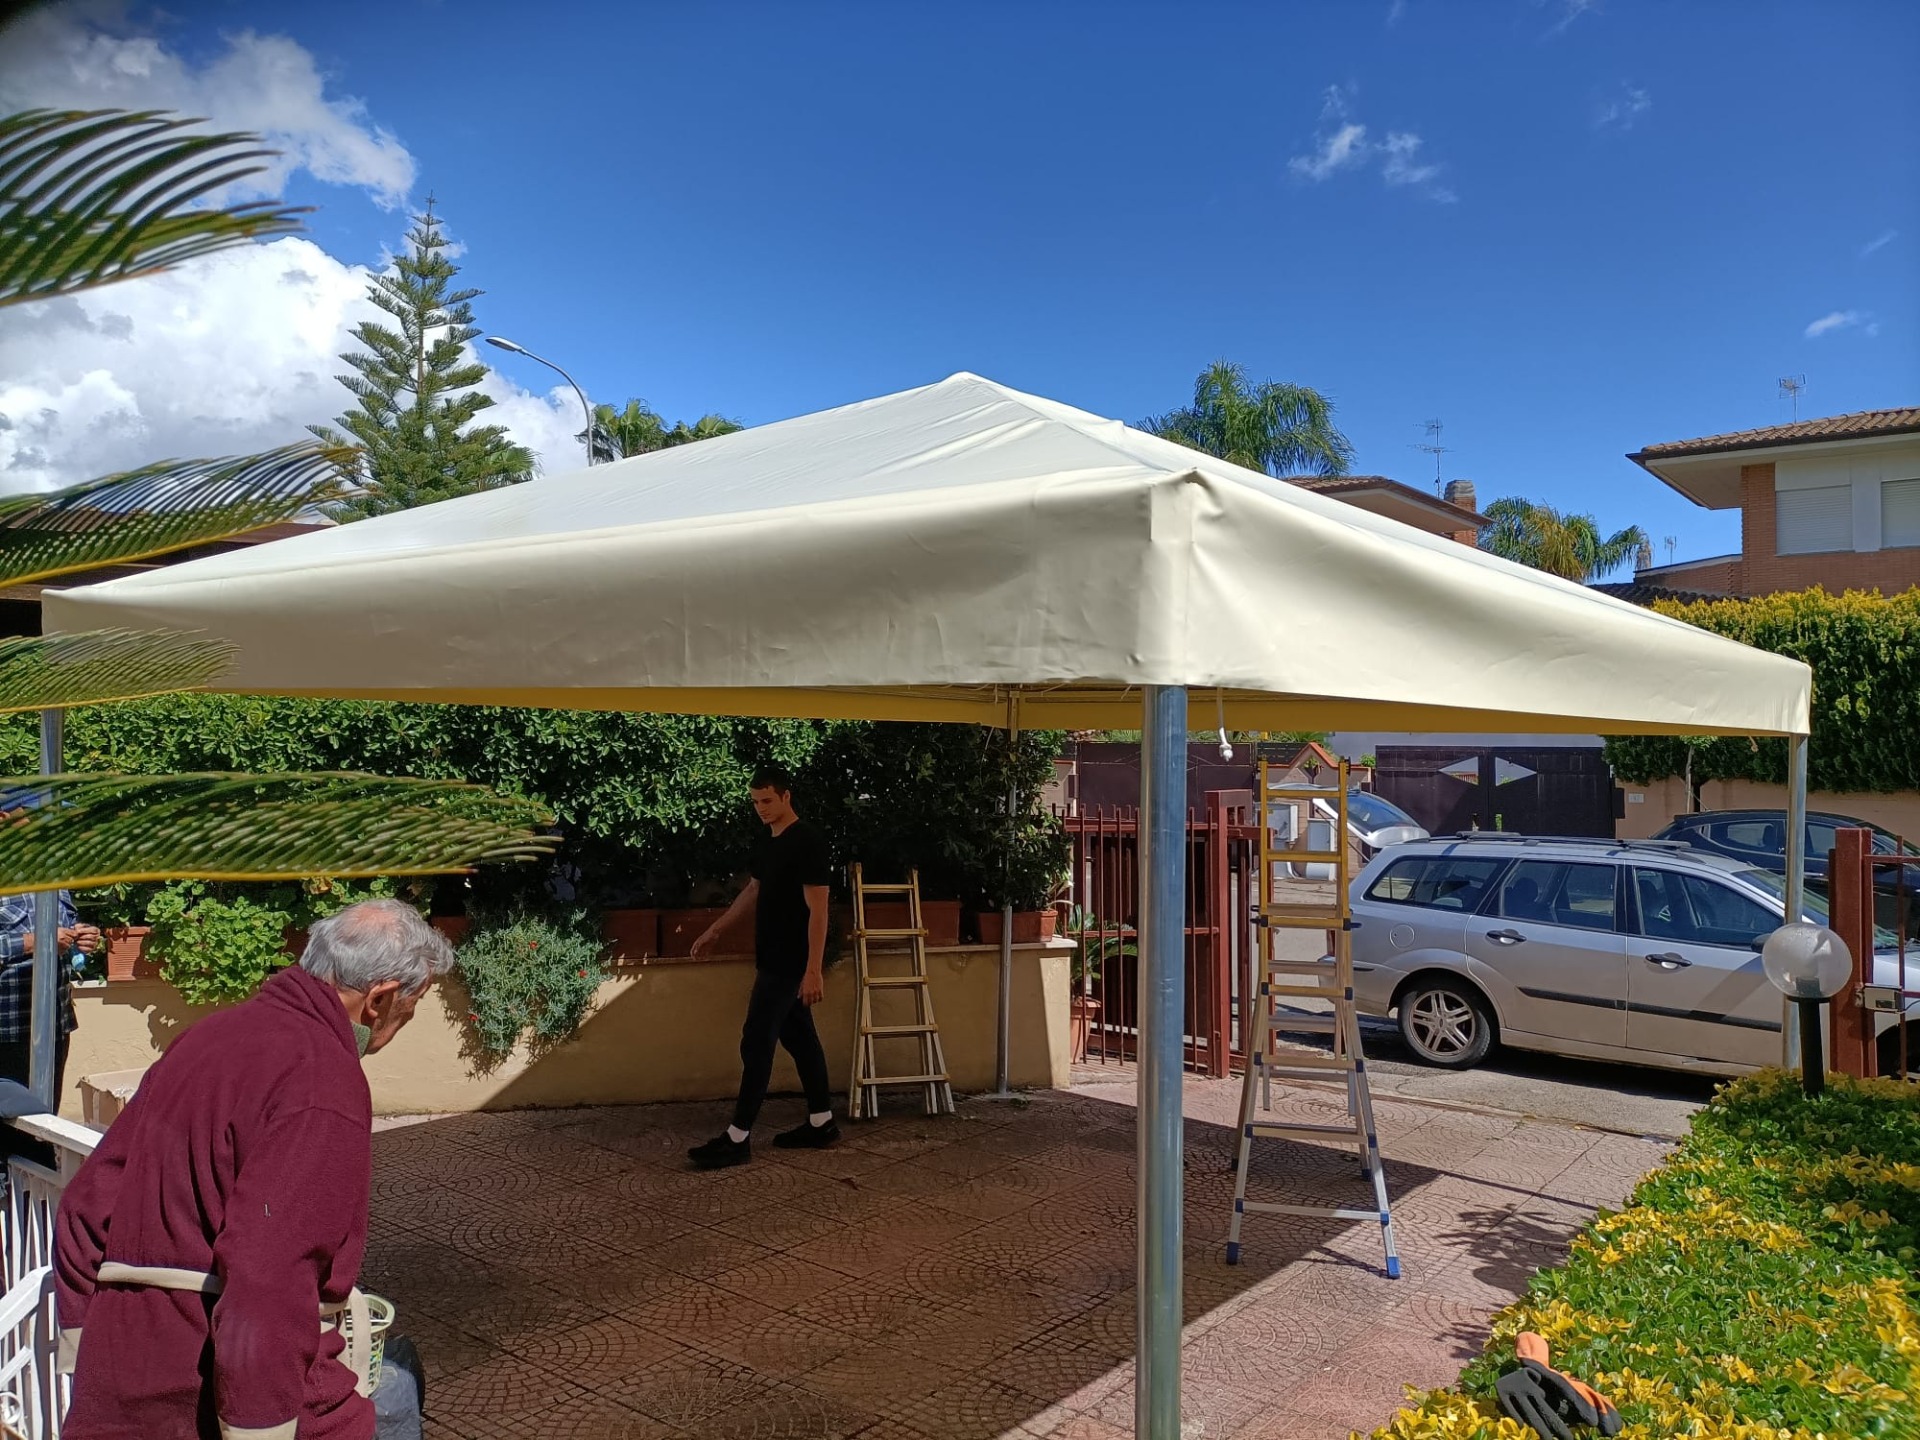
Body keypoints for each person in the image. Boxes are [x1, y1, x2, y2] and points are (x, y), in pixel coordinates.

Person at [53, 898, 450, 1440]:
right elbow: (270, 1273)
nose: (409, 1019)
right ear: (380, 998)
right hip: (214, 1397)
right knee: (393, 1401)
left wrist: (88, 1347)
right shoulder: (322, 1078)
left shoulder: (205, 1037)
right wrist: (261, 1428)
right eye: (414, 1003)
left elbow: (85, 1203)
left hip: (121, 1380)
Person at [686, 765, 838, 1169]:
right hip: (771, 956)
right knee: (800, 1039)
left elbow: (819, 909)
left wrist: (813, 969)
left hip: (789, 962)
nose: (761, 808)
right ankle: (821, 1122)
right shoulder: (768, 841)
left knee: (756, 1041)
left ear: (786, 797)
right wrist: (716, 930)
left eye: (767, 800)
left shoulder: (807, 841)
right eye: (755, 802)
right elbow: (754, 890)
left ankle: (737, 1138)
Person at [0, 888, 100, 1147]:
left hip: (55, 1026)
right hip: (7, 1031)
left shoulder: (55, 885)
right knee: (10, 1131)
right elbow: (42, 938)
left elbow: (63, 932)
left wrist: (81, 937)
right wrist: (35, 941)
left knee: (43, 1125)